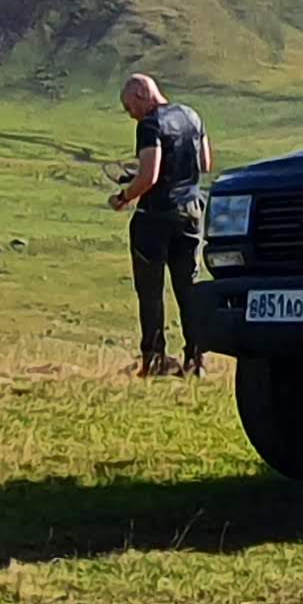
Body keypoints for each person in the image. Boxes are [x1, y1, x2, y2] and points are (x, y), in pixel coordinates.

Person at [107, 72, 213, 379]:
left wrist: (124, 196)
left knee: (151, 291)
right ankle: (196, 359)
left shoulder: (150, 125)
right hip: (191, 212)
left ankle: (153, 360)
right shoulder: (192, 115)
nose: (131, 115)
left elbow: (149, 175)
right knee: (188, 287)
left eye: (130, 108)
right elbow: (204, 163)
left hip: (155, 216)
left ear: (141, 95)